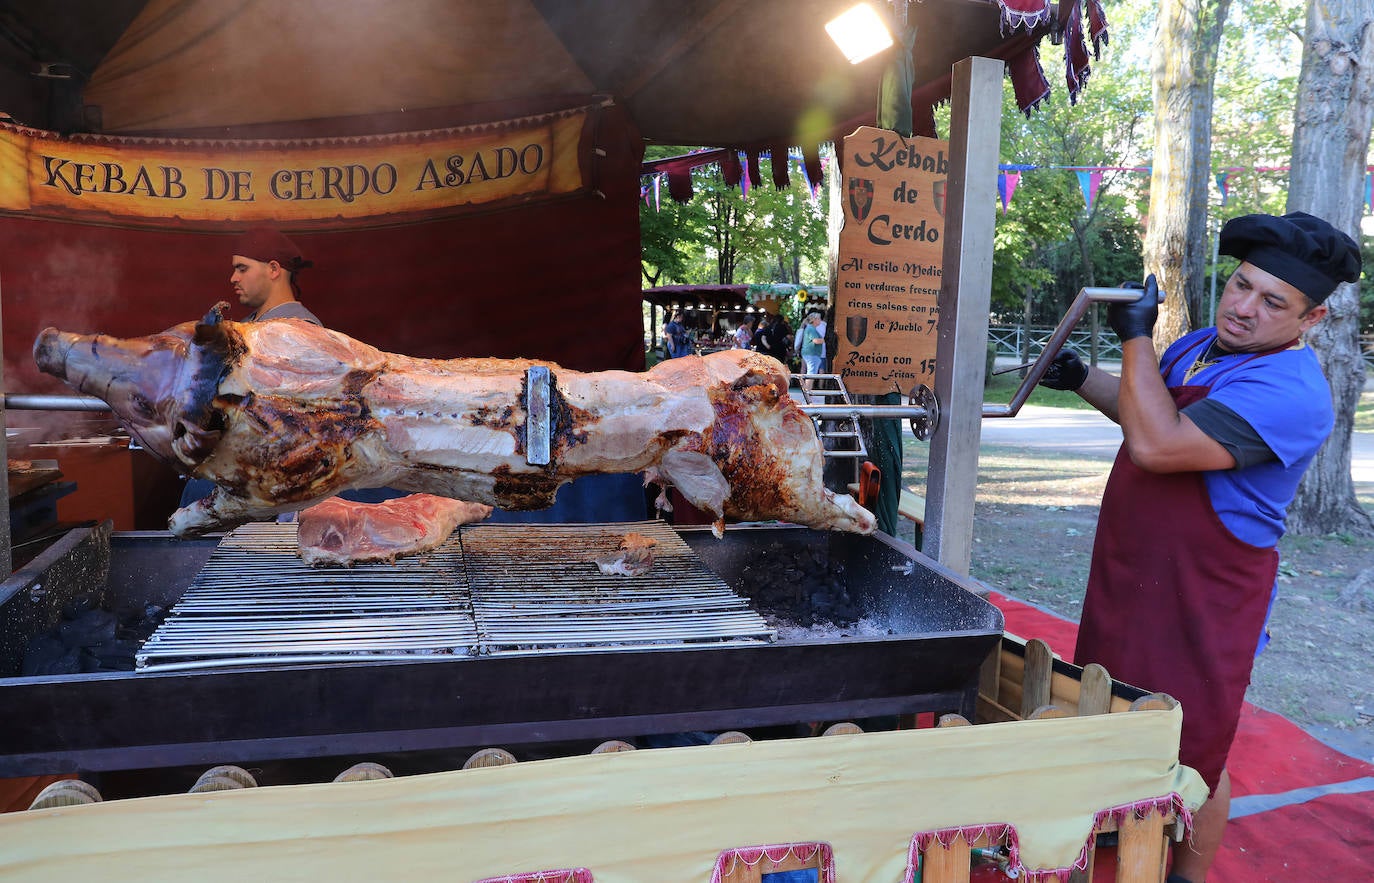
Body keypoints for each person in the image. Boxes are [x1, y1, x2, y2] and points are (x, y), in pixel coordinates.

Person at [1038, 211, 1360, 883]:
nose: (1243, 307)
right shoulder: (1203, 346)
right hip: (1133, 576)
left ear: (1313, 318)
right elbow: (1145, 407)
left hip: (1205, 595)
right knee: (1108, 709)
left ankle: (1183, 877)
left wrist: (1135, 339)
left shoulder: (1293, 393)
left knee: (1193, 756)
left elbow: (1157, 444)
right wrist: (1082, 378)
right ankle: (1109, 840)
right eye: (1241, 285)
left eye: (1273, 302)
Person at [230, 226, 321, 325]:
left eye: (243, 269)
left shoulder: (301, 328)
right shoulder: (247, 323)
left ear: (274, 269)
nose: (233, 279)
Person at [798, 310, 826, 374]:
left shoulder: (810, 328)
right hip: (812, 354)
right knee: (811, 374)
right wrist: (825, 340)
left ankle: (803, 384)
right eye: (819, 318)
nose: (820, 320)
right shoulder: (811, 329)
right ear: (814, 320)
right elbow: (816, 341)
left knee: (804, 370)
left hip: (808, 353)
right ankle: (807, 384)